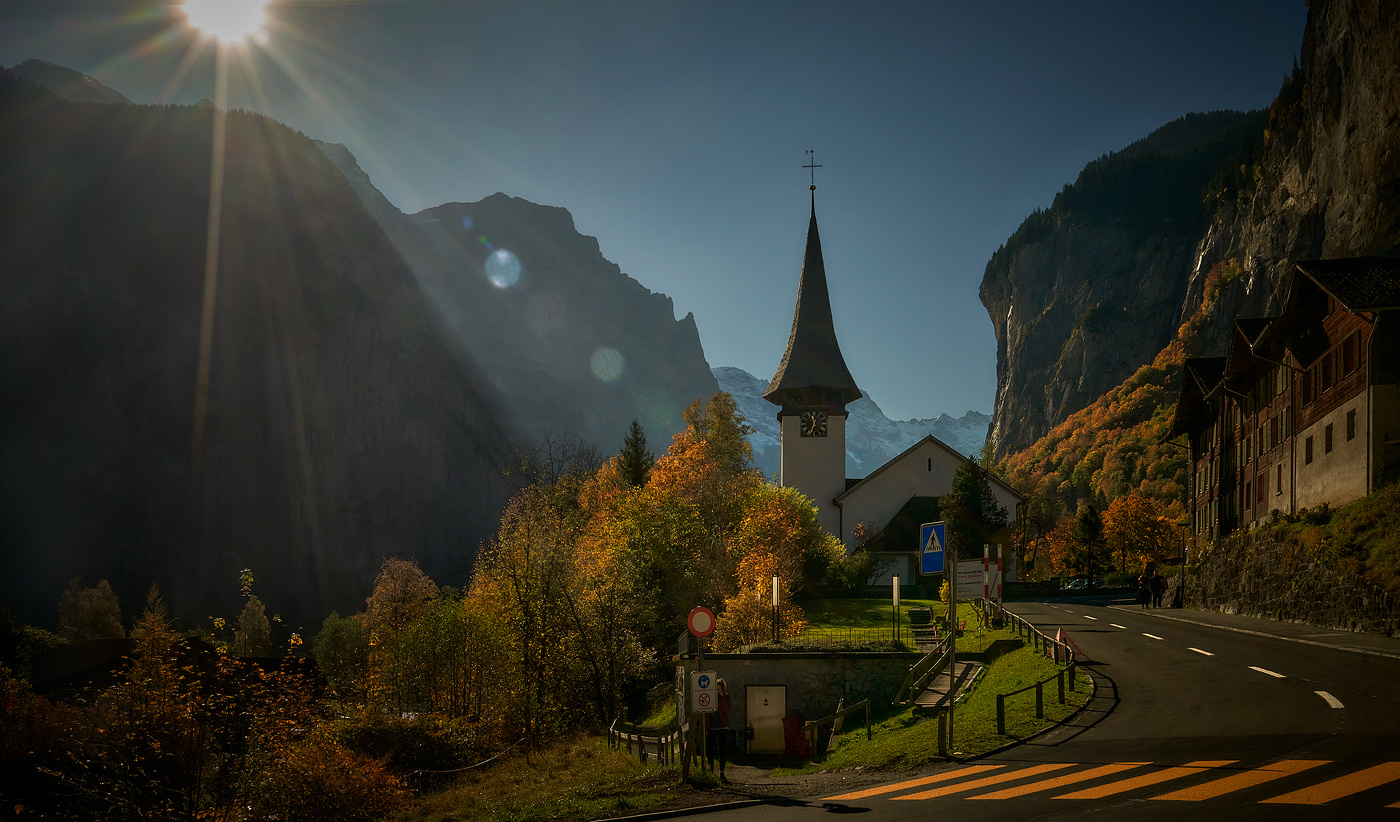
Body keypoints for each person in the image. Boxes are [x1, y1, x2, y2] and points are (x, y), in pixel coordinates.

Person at [705, 679, 732, 778]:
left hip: (722, 726)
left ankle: (722, 772)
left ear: (722, 689)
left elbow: (727, 711)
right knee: (709, 748)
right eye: (716, 689)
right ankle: (711, 767)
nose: (717, 691)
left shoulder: (726, 697)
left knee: (722, 749)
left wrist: (722, 699)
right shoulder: (710, 697)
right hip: (711, 726)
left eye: (719, 689)